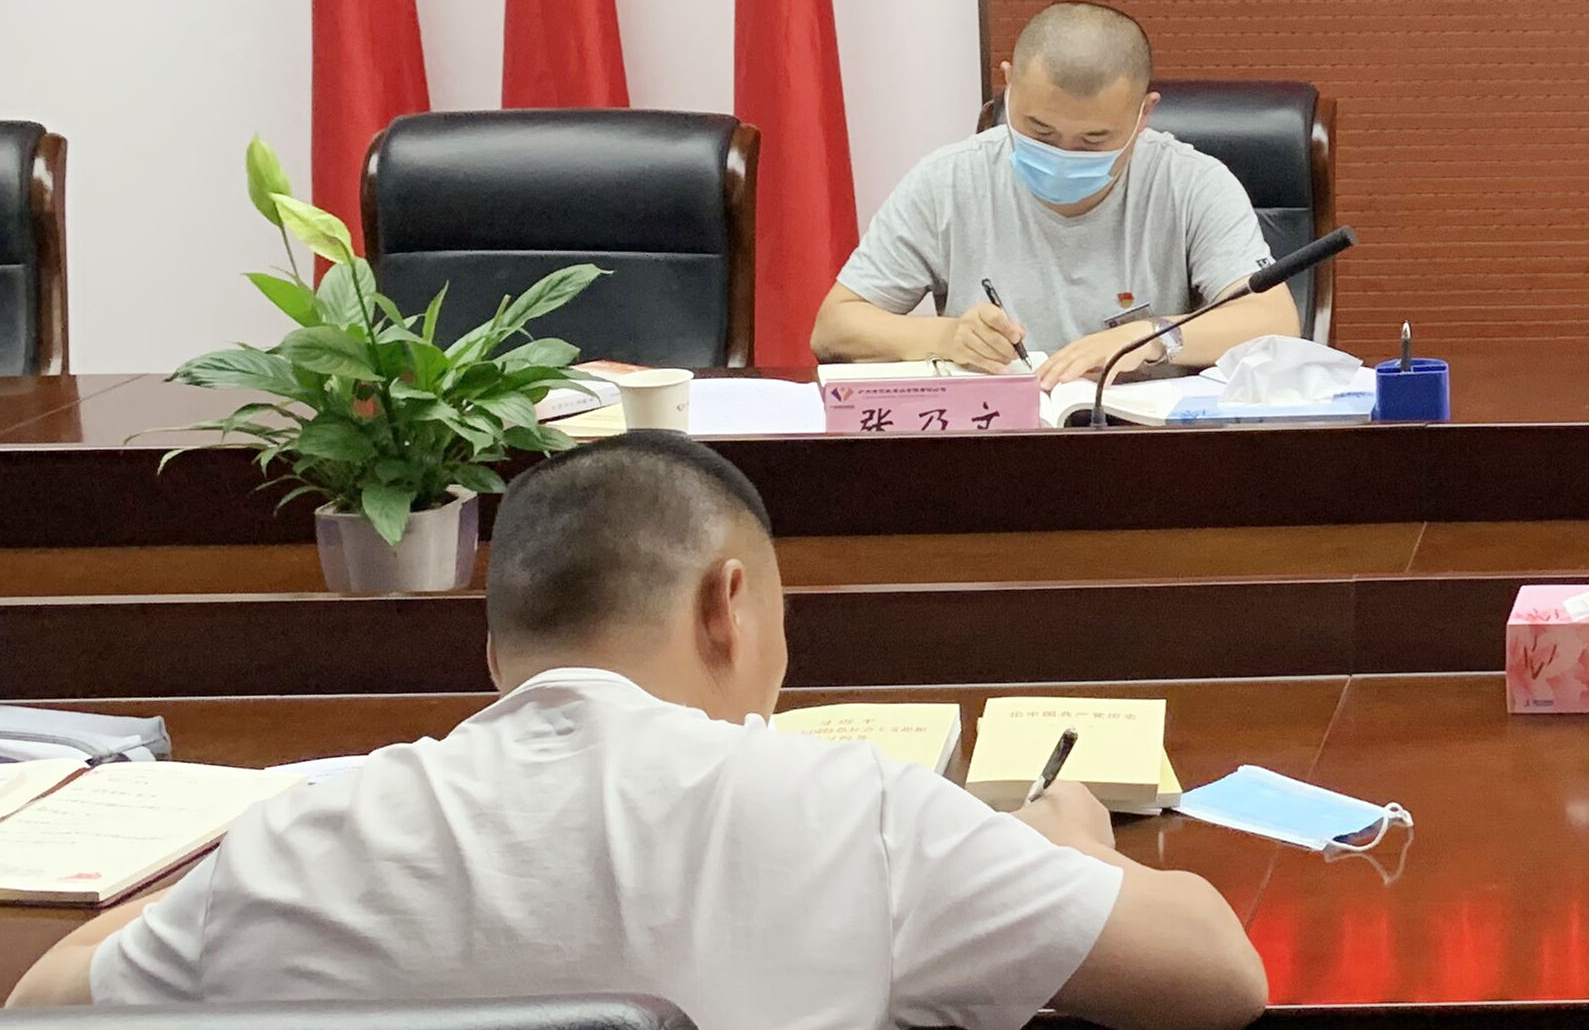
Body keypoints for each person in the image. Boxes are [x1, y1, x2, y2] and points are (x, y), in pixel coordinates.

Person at [3, 433, 1265, 1030]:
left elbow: (46, 1005)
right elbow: (1215, 978)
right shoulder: (844, 811)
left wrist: (237, 848)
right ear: (728, 604)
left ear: (494, 653)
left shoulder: (305, 842)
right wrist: (1068, 840)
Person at [818, 0, 1298, 393]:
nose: (1063, 155)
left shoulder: (1192, 183)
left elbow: (1274, 321)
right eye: (1039, 131)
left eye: (1093, 140)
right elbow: (834, 327)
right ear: (1009, 85)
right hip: (991, 441)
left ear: (1144, 114)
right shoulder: (948, 180)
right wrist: (948, 336)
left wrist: (1150, 338)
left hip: (1143, 446)